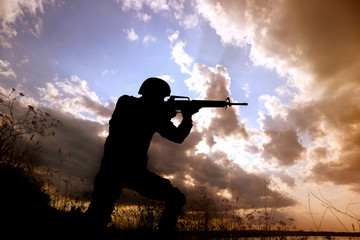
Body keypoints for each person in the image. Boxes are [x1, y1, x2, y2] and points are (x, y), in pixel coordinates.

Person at [86, 77, 199, 236]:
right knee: (98, 215)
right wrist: (170, 115)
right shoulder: (127, 102)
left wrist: (186, 117)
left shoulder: (154, 114)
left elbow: (177, 137)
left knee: (176, 197)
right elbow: (144, 115)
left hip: (125, 170)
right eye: (161, 97)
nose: (162, 101)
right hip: (122, 169)